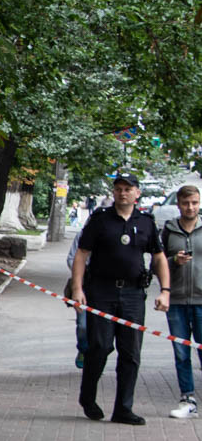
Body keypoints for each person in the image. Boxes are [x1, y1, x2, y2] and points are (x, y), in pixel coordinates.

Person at [70, 172, 170, 425]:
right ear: (114, 192)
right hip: (101, 292)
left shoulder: (146, 222)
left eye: (128, 189)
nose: (123, 193)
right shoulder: (100, 220)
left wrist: (165, 291)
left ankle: (124, 409)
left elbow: (158, 257)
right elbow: (82, 254)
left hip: (134, 295)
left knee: (131, 353)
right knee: (100, 347)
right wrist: (77, 289)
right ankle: (88, 397)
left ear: (137, 193)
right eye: (119, 188)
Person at [161, 184, 202, 419]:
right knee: (181, 351)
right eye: (186, 203)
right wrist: (173, 260)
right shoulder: (169, 230)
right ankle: (187, 397)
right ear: (179, 204)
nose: (190, 207)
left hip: (201, 299)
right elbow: (158, 263)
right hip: (176, 300)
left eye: (195, 203)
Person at [66, 229, 88, 369]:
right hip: (84, 287)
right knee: (83, 326)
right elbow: (71, 259)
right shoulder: (83, 234)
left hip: (105, 290)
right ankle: (83, 349)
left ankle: (95, 360)